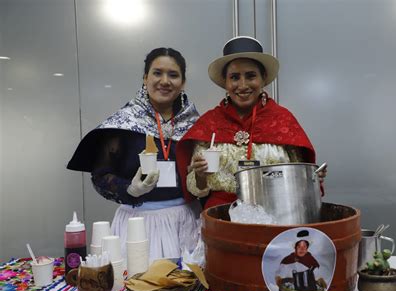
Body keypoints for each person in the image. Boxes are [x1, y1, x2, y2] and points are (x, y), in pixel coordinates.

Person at [67, 48, 201, 261]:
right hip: (138, 224)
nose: (165, 81)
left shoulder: (195, 124)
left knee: (188, 286)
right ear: (145, 78)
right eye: (157, 73)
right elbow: (100, 176)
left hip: (187, 221)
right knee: (139, 285)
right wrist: (129, 189)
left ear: (183, 82)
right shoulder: (124, 123)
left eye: (173, 75)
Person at [177, 36, 326, 209]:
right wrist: (200, 176)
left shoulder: (282, 120)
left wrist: (312, 177)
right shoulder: (210, 123)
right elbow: (197, 190)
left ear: (263, 78)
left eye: (250, 76)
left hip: (276, 214)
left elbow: (300, 180)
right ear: (225, 82)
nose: (242, 85)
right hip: (222, 218)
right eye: (234, 77)